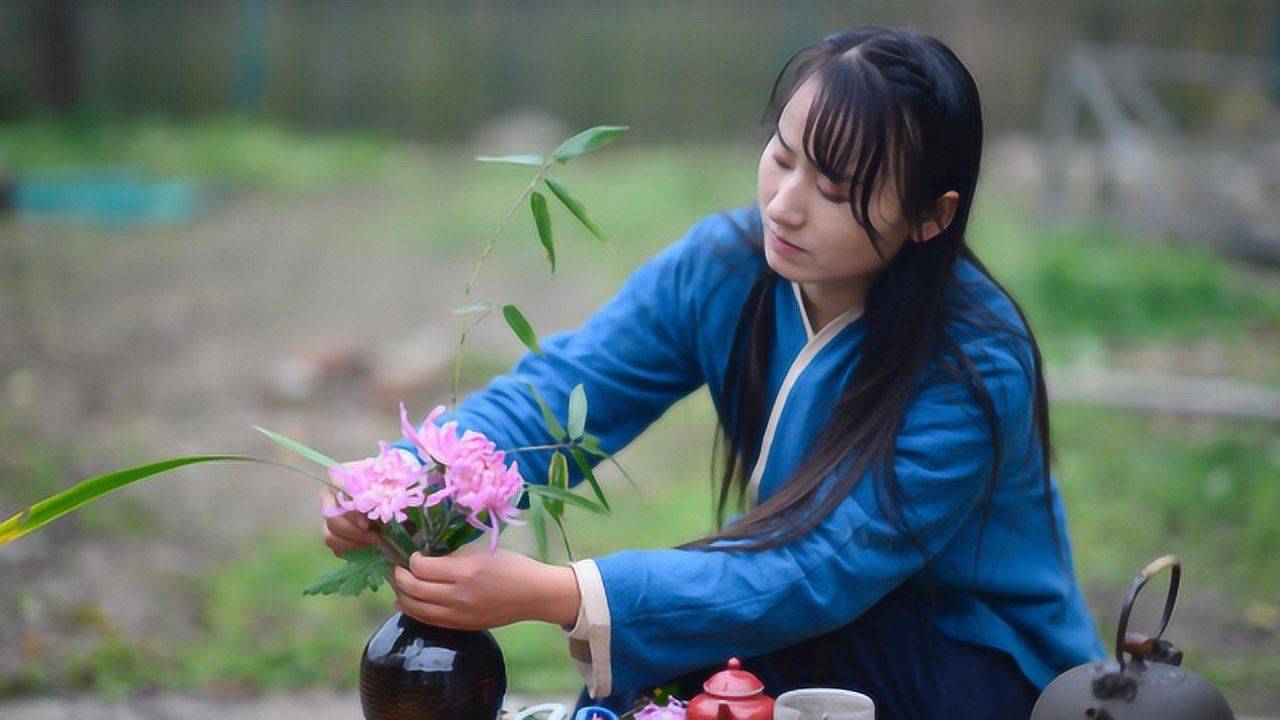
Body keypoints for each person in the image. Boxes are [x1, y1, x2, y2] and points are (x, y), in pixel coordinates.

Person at [322, 25, 1105, 720]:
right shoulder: (724, 266)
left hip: (974, 660)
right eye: (783, 157)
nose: (785, 206)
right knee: (650, 685)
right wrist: (411, 478)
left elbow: (823, 567)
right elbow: (566, 392)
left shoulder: (972, 361)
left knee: (689, 677)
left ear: (932, 216)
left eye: (836, 190)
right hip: (820, 614)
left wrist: (561, 595)